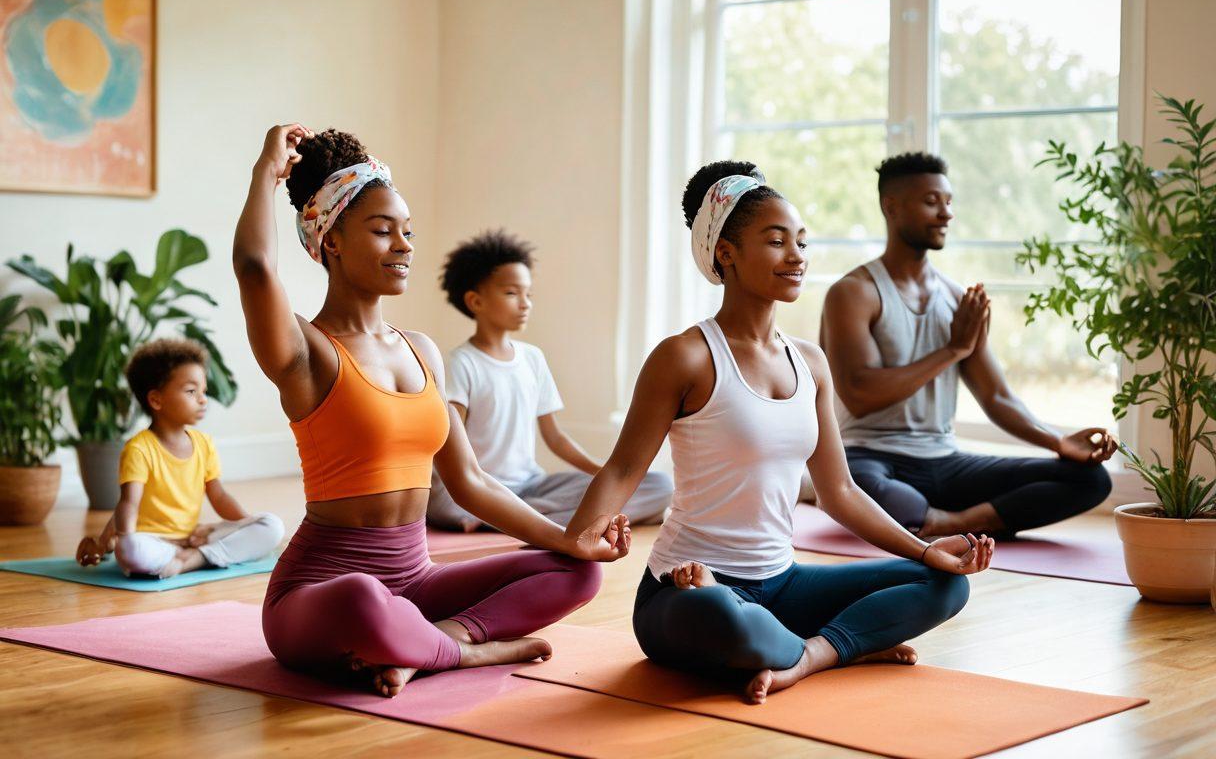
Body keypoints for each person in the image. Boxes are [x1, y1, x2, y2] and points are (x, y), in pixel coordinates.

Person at [564, 160, 993, 704]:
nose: (797, 257)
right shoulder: (685, 357)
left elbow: (839, 492)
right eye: (776, 241)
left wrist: (925, 550)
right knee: (724, 612)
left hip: (782, 584)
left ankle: (807, 654)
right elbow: (624, 469)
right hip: (687, 590)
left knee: (946, 583)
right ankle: (844, 645)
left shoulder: (809, 363)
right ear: (727, 253)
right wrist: (571, 541)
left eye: (802, 243)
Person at [233, 124, 624, 697]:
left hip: (415, 582)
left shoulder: (422, 350)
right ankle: (467, 652)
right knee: (364, 597)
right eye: (383, 230)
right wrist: (265, 174)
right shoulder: (305, 351)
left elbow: (468, 481)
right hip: (322, 593)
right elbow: (254, 267)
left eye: (408, 232)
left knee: (576, 570)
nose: (405, 245)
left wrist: (566, 540)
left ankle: (431, 642)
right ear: (332, 241)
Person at [820, 152, 1116, 539]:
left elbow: (997, 397)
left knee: (1091, 481)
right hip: (872, 458)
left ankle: (953, 523)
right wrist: (952, 350)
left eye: (948, 202)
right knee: (855, 487)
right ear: (890, 206)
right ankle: (929, 516)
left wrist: (1058, 441)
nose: (946, 214)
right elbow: (860, 394)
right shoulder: (854, 293)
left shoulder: (958, 299)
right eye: (931, 202)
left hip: (946, 462)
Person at [427, 229, 672, 531]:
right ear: (476, 302)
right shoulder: (460, 363)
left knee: (659, 485)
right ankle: (512, 516)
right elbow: (450, 443)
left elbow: (555, 438)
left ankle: (516, 519)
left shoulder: (533, 358)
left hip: (531, 486)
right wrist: (478, 493)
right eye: (511, 293)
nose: (525, 303)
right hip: (477, 488)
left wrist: (607, 475)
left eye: (528, 294)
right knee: (446, 505)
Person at [75, 339, 284, 578]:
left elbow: (219, 496)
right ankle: (205, 556)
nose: (203, 399)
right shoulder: (139, 449)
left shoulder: (204, 444)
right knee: (131, 549)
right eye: (191, 391)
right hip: (155, 541)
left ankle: (192, 560)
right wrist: (114, 543)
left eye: (203, 391)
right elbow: (128, 504)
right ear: (156, 400)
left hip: (194, 538)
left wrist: (245, 525)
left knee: (272, 526)